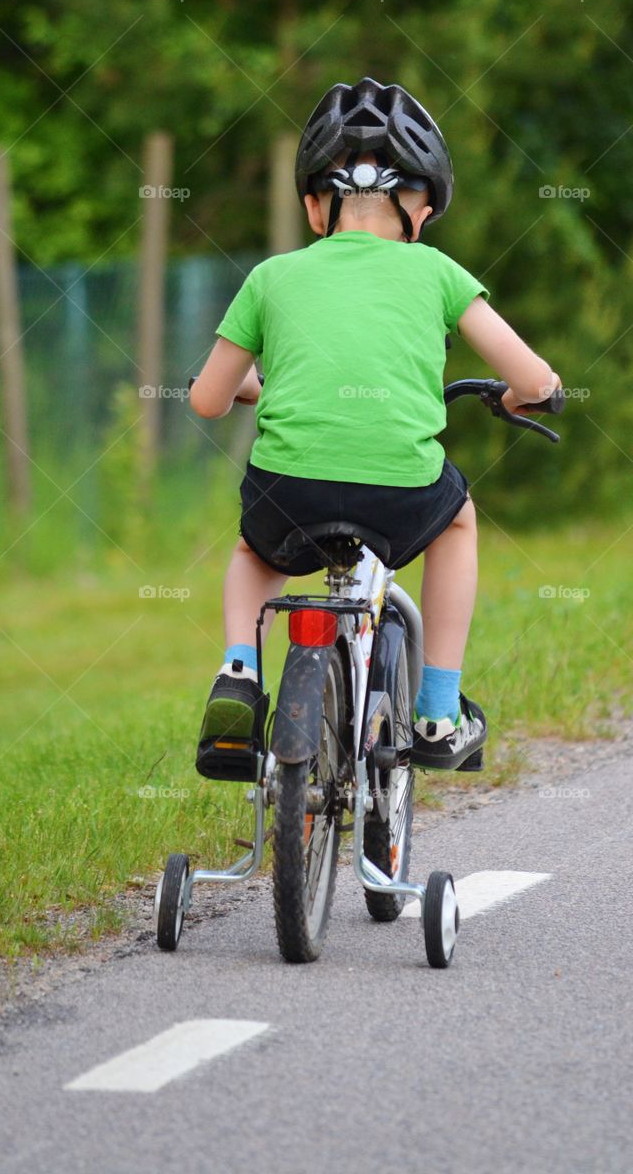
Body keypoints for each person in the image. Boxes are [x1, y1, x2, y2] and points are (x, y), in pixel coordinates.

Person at [189, 76, 561, 780]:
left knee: (252, 552)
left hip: (287, 496)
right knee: (458, 521)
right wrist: (528, 396)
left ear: (311, 205)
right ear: (422, 207)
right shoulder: (438, 273)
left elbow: (209, 400)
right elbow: (534, 378)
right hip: (400, 496)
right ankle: (437, 711)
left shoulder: (271, 277)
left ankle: (239, 671)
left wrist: (247, 388)